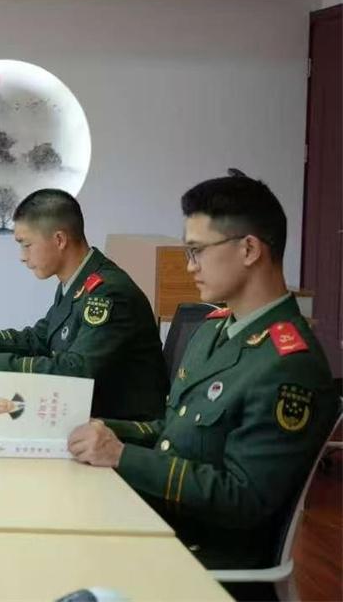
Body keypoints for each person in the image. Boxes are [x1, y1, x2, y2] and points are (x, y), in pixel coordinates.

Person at [68, 174, 338, 577]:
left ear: (249, 249)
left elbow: (243, 498)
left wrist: (122, 455)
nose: (189, 266)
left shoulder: (289, 365)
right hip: (159, 519)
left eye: (196, 251)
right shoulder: (213, 330)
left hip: (199, 558)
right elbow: (175, 431)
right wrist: (103, 428)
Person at [0, 188, 167, 420]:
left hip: (117, 430)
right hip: (82, 415)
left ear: (59, 239)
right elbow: (38, 339)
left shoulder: (108, 293)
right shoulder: (77, 282)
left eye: (26, 245)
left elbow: (76, 371)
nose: (22, 256)